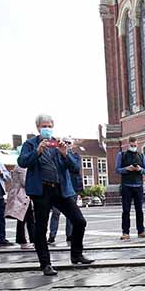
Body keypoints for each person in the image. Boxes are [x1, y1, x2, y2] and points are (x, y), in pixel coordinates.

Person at [17, 114, 94, 276]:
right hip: (41, 190)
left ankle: (77, 254)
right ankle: (45, 263)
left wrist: (65, 153)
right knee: (41, 227)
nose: (47, 128)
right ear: (38, 127)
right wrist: (37, 152)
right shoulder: (30, 144)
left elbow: (74, 167)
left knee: (79, 221)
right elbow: (22, 162)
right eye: (44, 126)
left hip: (61, 189)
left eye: (49, 125)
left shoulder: (59, 144)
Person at [49, 139, 84, 244]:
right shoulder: (56, 155)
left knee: (71, 215)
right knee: (55, 213)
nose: (67, 144)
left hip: (72, 188)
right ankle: (52, 235)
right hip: (59, 188)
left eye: (69, 142)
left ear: (72, 145)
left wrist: (66, 155)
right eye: (65, 142)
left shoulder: (75, 156)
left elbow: (76, 168)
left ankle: (70, 235)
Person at [116, 136, 145, 240]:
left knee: (139, 210)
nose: (133, 147)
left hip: (139, 186)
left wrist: (140, 169)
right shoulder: (121, 155)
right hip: (126, 186)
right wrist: (127, 169)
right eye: (132, 145)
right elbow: (117, 169)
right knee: (126, 210)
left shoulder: (141, 155)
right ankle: (125, 232)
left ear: (137, 144)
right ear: (128, 145)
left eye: (135, 145)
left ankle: (141, 231)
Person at [6, 165, 35, 249]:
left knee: (26, 219)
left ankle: (29, 240)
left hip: (23, 195)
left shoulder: (21, 167)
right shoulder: (22, 168)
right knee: (26, 219)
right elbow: (24, 182)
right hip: (22, 195)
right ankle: (25, 241)